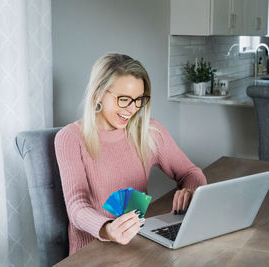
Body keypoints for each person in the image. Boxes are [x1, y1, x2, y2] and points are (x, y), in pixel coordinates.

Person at [55, 53, 207, 254]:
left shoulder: (150, 132)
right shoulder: (70, 138)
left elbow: (190, 172)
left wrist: (190, 191)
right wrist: (108, 230)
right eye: (123, 99)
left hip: (138, 245)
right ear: (98, 93)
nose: (132, 109)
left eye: (138, 100)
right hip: (91, 252)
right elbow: (76, 206)